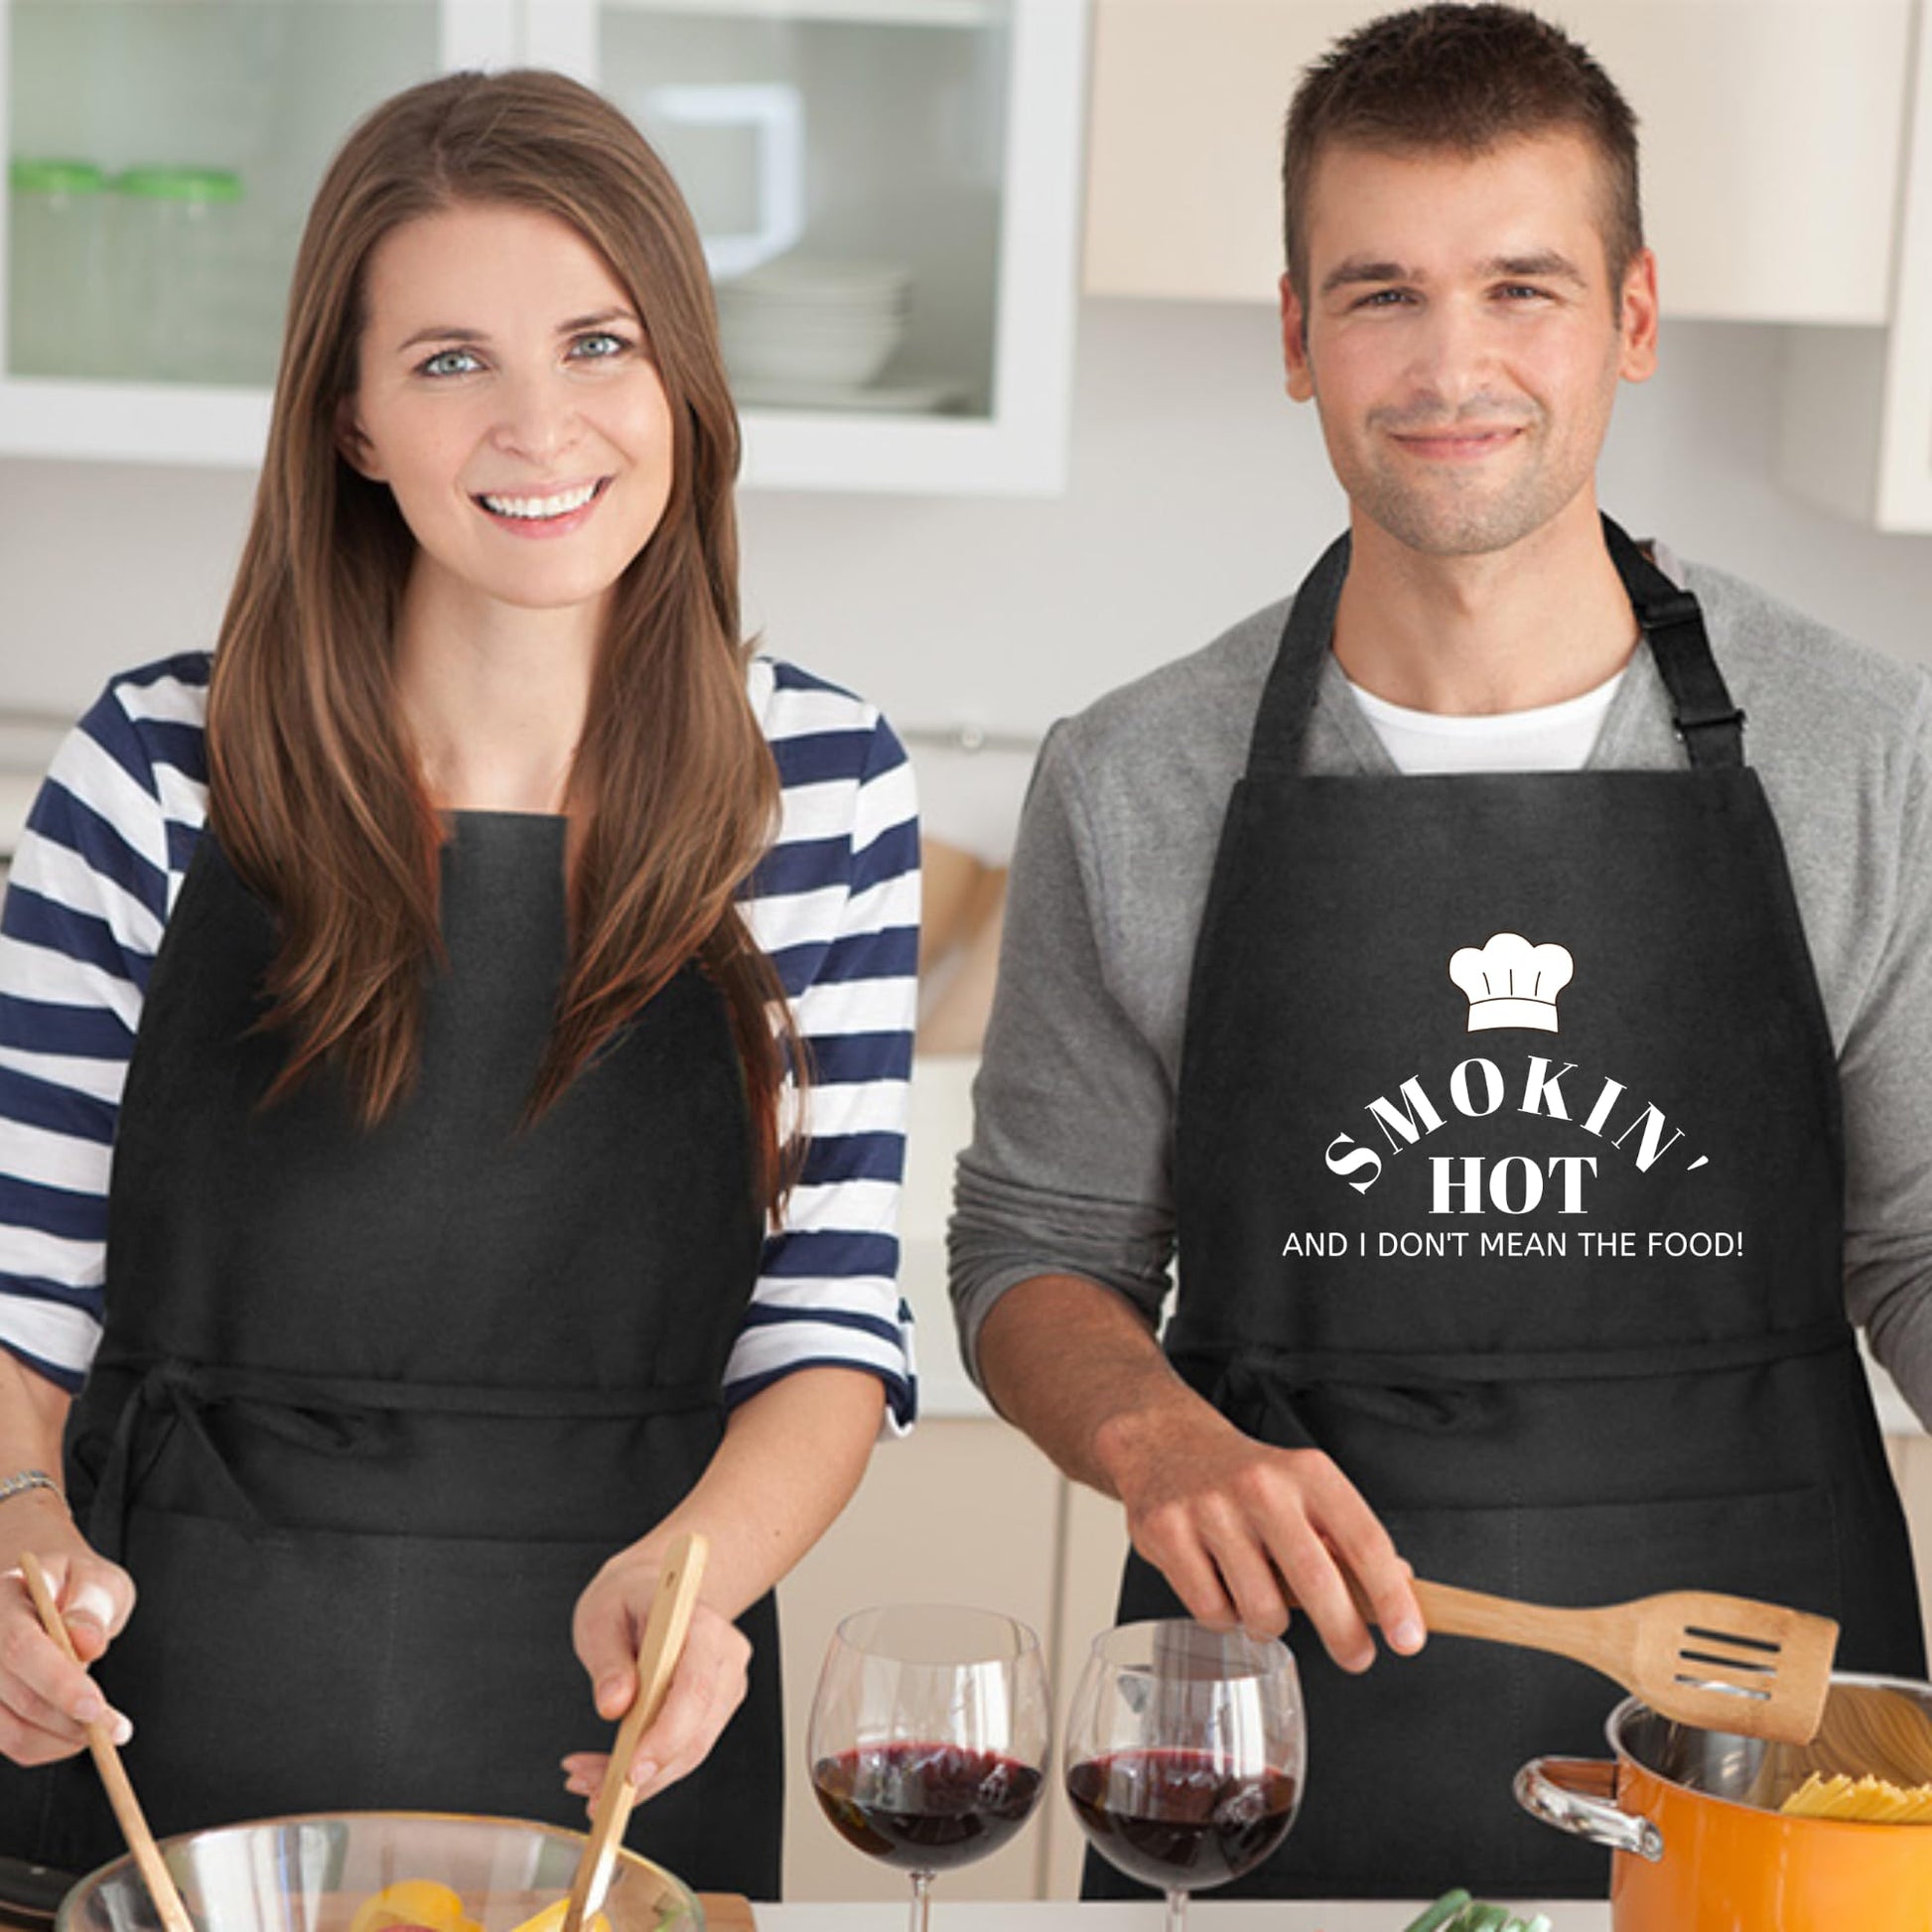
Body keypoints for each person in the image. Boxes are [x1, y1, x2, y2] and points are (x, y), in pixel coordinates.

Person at [950, 1, 1931, 1902]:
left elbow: (1914, 1232)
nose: (1451, 363)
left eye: (1522, 288)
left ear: (1632, 319)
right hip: (1267, 1742)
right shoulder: (1132, 773)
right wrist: (1152, 1431)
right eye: (1381, 292)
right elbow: (1033, 1253)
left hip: (1769, 1767)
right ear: (1297, 336)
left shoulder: (1861, 749)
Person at [0, 68, 918, 1899]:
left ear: (678, 384)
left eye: (597, 343)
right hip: (155, 1754)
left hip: (620, 1763)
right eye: (445, 362)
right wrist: (17, 1530)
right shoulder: (155, 764)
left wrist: (704, 1577)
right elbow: (17, 1288)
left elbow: (825, 1329)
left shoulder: (818, 784)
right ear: (346, 420)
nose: (538, 425)